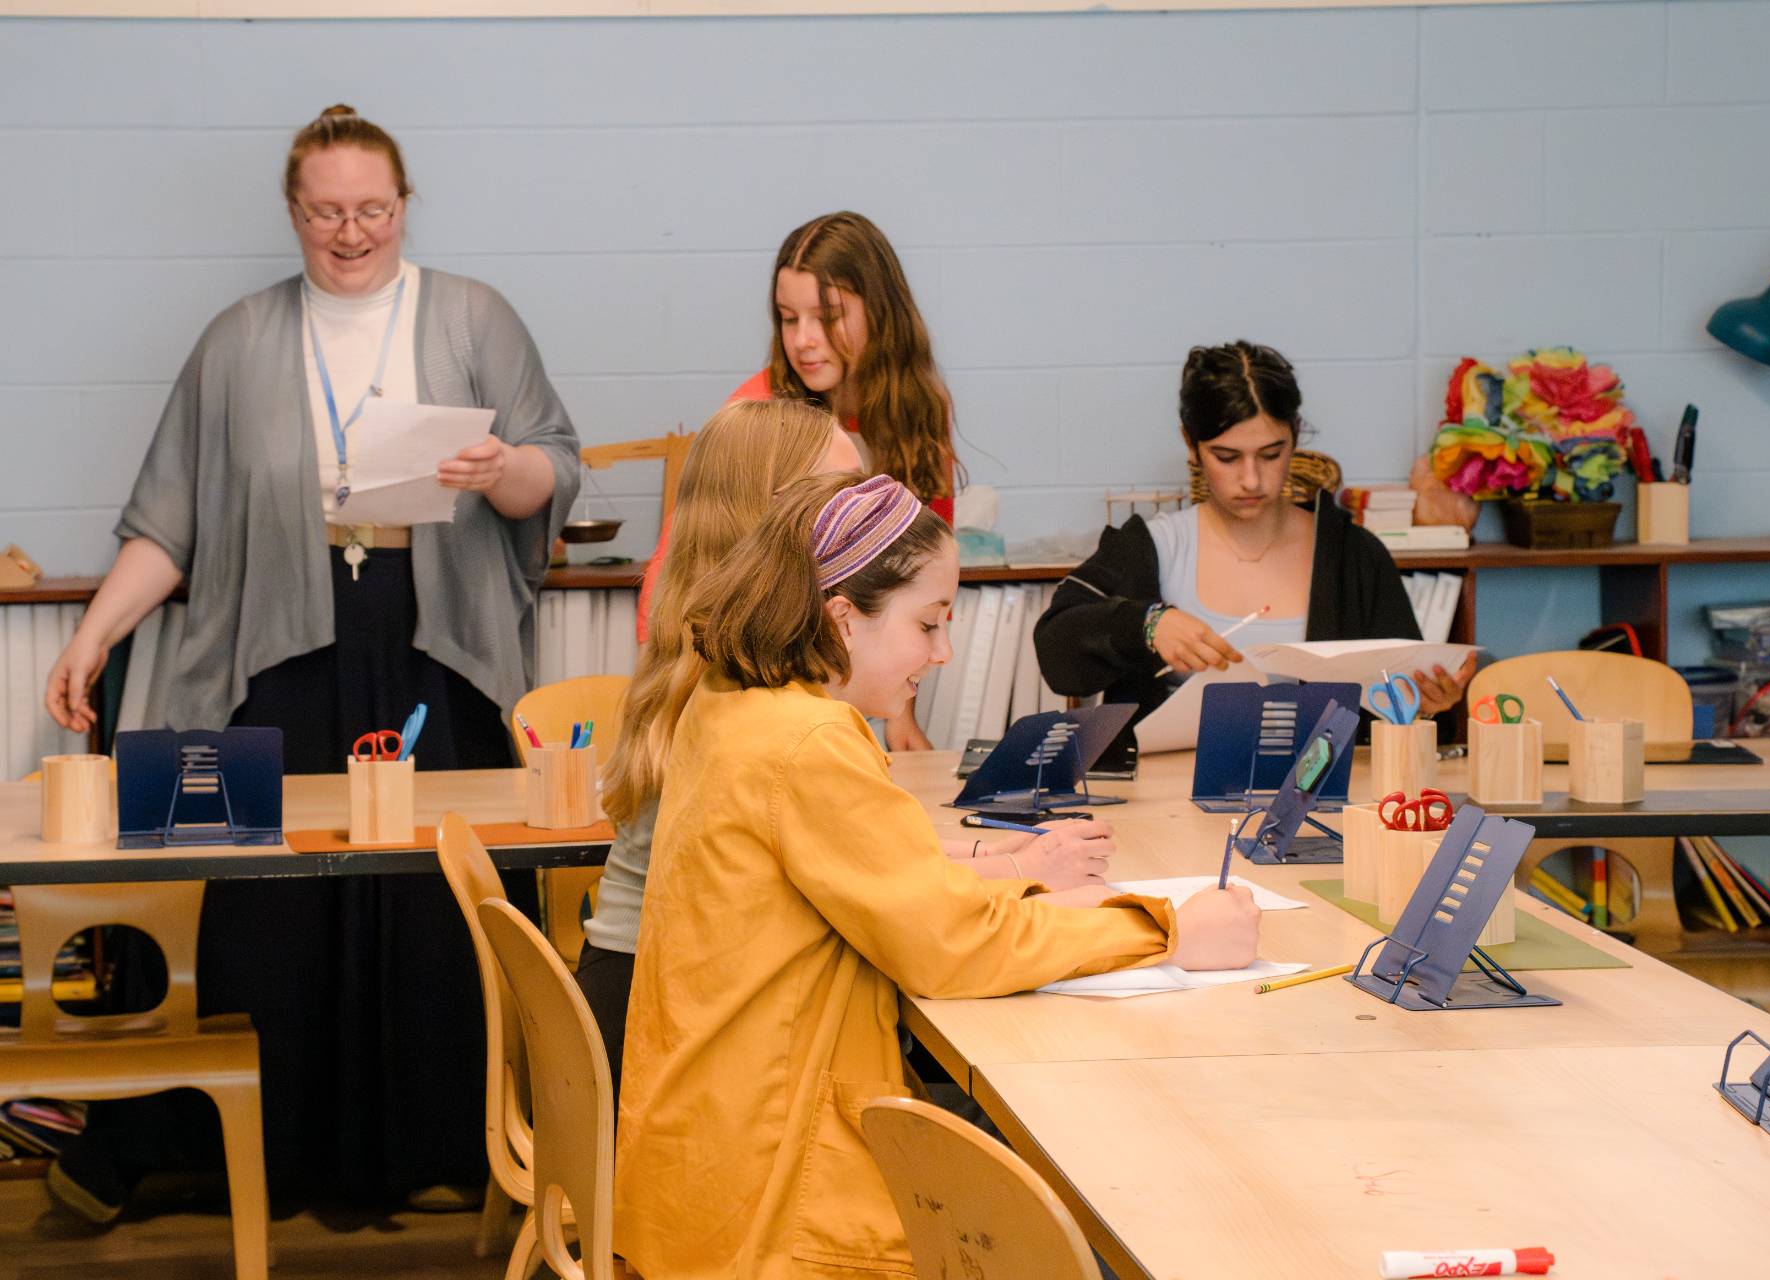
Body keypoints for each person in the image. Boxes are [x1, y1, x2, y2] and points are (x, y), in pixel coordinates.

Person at [39, 105, 579, 1218]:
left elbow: (552, 476)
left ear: (405, 205)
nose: (351, 232)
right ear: (292, 213)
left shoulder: (473, 315)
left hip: (432, 649)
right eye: (327, 211)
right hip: (279, 648)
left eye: (372, 208)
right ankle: (241, 1152)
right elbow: (169, 523)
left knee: (441, 903)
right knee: (265, 909)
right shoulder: (237, 341)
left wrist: (500, 470)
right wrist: (93, 633)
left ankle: (449, 1147)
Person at [611, 472, 1260, 1277]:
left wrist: (1037, 893)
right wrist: (1166, 930)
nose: (942, 652)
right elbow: (948, 945)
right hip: (776, 1200)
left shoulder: (729, 702)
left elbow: (901, 891)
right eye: (928, 623)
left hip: (702, 1169)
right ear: (842, 618)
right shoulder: (809, 741)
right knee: (1105, 1212)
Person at [585, 402, 1114, 1098]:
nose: (862, 509)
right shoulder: (771, 712)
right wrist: (1031, 875)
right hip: (681, 1030)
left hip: (675, 1016)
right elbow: (919, 924)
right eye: (839, 494)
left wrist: (994, 858)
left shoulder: (724, 672)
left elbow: (852, 857)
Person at [1033, 340, 1473, 745]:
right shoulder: (1153, 546)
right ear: (1191, 444)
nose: (1251, 479)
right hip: (1169, 793)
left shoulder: (1352, 555)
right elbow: (1056, 652)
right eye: (1226, 457)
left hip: (1321, 792)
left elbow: (1402, 707)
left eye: (1270, 454)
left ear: (1295, 434)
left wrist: (1428, 706)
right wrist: (1147, 624)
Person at [637, 211, 957, 752]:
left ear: (881, 312)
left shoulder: (919, 410)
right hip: (747, 682)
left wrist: (902, 713)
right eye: (788, 319)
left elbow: (921, 574)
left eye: (827, 317)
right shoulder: (760, 413)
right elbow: (685, 569)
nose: (803, 340)